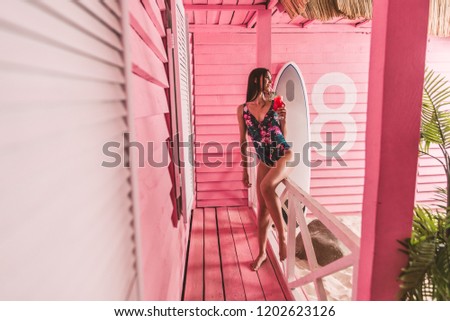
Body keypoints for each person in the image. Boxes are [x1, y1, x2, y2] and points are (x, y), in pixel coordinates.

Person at [236, 67, 295, 271]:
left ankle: (282, 235)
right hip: (263, 160)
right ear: (255, 81)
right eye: (267, 79)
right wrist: (244, 170)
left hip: (283, 154)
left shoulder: (276, 103)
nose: (270, 82)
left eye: (271, 79)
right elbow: (243, 141)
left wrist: (284, 119)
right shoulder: (243, 109)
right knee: (262, 212)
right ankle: (262, 253)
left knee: (266, 186)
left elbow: (283, 135)